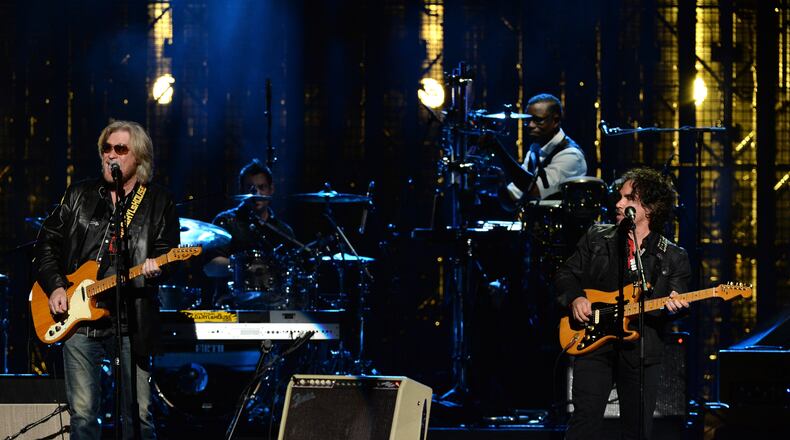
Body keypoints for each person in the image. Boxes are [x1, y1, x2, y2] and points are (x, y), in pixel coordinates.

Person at [34, 120, 180, 439]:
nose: (110, 155)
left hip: (131, 319)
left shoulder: (158, 202)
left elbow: (168, 252)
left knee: (139, 415)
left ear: (139, 157)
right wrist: (56, 285)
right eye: (106, 149)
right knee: (84, 415)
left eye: (120, 149)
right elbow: (46, 243)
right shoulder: (79, 195)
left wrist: (161, 265)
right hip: (79, 320)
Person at [554, 167, 691, 440]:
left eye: (629, 199)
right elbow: (564, 274)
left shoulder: (673, 256)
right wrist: (576, 298)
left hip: (640, 348)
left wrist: (674, 308)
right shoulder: (597, 237)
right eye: (620, 197)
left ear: (650, 208)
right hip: (593, 343)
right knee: (584, 423)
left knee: (637, 429)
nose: (618, 203)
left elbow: (676, 300)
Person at [480, 93, 587, 201]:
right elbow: (513, 200)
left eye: (538, 120)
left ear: (555, 120)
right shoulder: (535, 150)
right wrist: (499, 182)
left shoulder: (571, 156)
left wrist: (499, 149)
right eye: (528, 120)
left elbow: (535, 190)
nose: (530, 125)